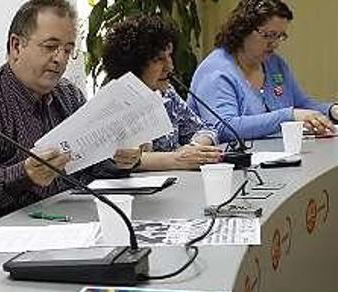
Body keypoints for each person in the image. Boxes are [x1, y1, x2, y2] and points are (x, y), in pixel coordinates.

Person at [0, 0, 139, 226]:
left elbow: (89, 164)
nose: (60, 58)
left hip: (73, 223)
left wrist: (119, 158)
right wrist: (23, 175)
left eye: (67, 49)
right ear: (16, 47)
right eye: (50, 46)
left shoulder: (69, 95)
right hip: (10, 238)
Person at [188, 0, 337, 141]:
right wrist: (288, 116)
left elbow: (302, 104)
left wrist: (332, 111)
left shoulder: (275, 64)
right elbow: (224, 128)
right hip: (231, 163)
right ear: (243, 30)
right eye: (269, 35)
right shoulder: (216, 71)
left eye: (280, 36)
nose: (275, 44)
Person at [102, 15, 223, 171]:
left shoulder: (166, 93)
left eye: (170, 56)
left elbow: (206, 130)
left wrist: (194, 147)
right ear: (134, 63)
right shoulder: (113, 102)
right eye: (159, 59)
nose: (170, 66)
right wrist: (176, 159)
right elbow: (113, 160)